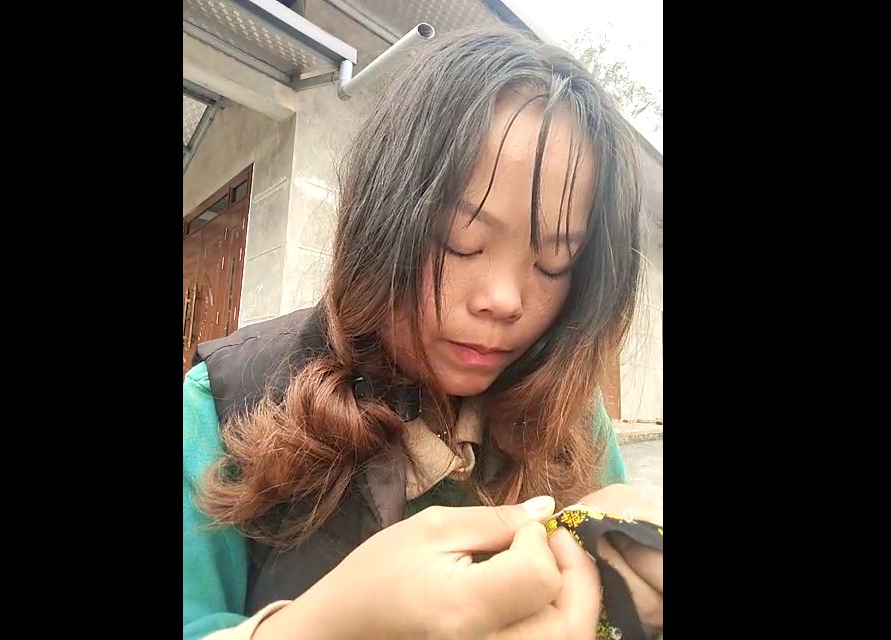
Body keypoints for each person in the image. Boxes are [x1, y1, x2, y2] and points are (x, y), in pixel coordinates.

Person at [183, 26, 662, 640]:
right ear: (381, 220)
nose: (505, 300)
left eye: (554, 262)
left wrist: (630, 607)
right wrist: (309, 629)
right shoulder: (223, 402)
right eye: (463, 239)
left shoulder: (571, 412)